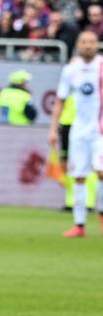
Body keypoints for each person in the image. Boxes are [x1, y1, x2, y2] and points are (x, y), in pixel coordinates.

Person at [48, 30, 103, 237]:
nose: (88, 45)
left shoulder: (101, 66)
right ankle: (79, 224)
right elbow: (60, 99)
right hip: (79, 131)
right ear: (78, 45)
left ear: (97, 44)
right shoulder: (71, 69)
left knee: (101, 172)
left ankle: (101, 215)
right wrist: (53, 129)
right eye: (84, 42)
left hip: (100, 131)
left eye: (91, 41)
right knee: (78, 176)